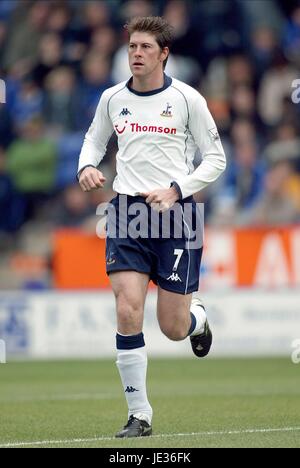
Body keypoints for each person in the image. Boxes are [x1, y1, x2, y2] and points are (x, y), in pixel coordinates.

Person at [77, 16, 226, 438]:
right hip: (126, 212)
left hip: (177, 215)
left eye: (145, 47)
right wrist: (86, 164)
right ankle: (139, 415)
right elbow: (93, 139)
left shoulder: (186, 99)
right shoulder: (111, 98)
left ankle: (197, 317)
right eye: (131, 47)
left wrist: (178, 189)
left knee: (172, 328)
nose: (136, 54)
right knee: (127, 309)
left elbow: (216, 160)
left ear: (164, 54)